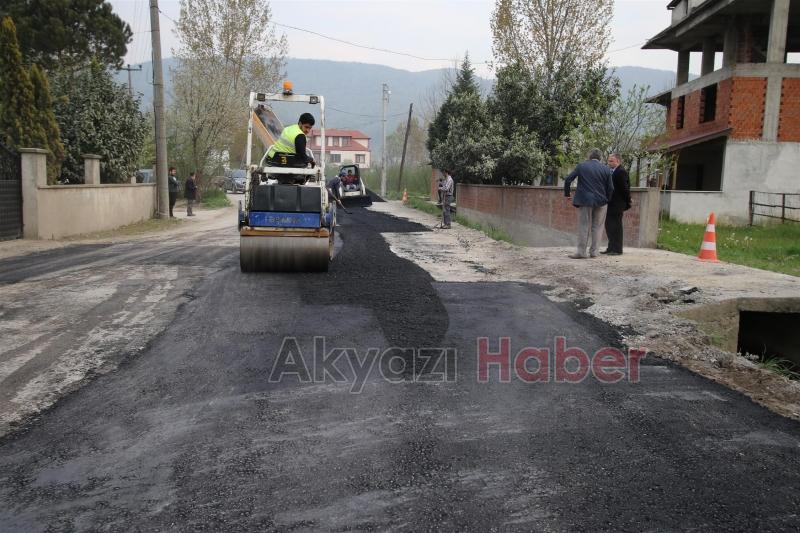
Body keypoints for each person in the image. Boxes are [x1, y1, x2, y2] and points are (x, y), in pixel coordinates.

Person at [564, 149, 614, 259]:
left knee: (583, 225)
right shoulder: (606, 169)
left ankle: (581, 252)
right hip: (601, 201)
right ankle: (594, 252)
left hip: (584, 200)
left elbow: (568, 179)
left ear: (589, 156)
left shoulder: (582, 166)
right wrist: (607, 199)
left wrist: (567, 194)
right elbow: (611, 188)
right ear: (600, 158)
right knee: (598, 227)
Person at [602, 153, 632, 256]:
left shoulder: (621, 172)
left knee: (616, 227)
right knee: (609, 226)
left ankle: (617, 249)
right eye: (609, 161)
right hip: (610, 203)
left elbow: (625, 189)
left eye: (611, 161)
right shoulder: (611, 171)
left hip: (617, 204)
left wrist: (628, 201)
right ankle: (610, 248)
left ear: (618, 161)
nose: (609, 163)